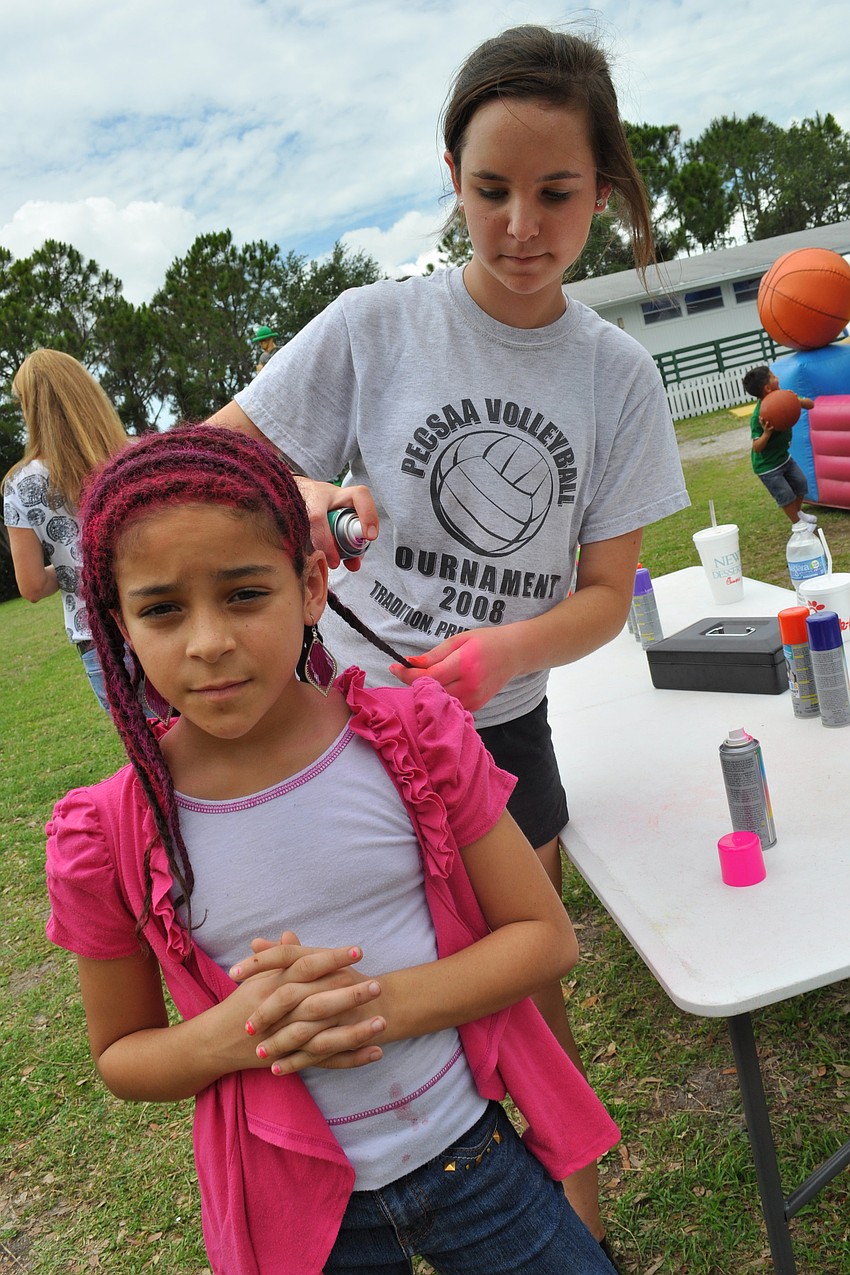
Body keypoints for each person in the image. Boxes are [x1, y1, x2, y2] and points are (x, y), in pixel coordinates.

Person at [209, 23, 689, 1253]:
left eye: (556, 192)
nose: (521, 225)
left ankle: (578, 1242)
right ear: (451, 180)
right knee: (364, 1021)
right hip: (344, 739)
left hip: (496, 733)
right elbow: (210, 466)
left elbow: (598, 594)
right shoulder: (374, 326)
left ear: (607, 190)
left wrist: (502, 657)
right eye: (491, 192)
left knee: (530, 1004)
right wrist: (307, 497)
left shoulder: (616, 378)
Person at [45, 424, 620, 1275]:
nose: (207, 641)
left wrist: (364, 1004)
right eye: (162, 608)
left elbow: (545, 938)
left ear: (312, 584)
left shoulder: (416, 739)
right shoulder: (107, 834)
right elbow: (122, 1053)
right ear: (117, 623)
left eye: (244, 593)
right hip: (299, 1211)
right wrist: (246, 1035)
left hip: (471, 1154)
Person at [2, 349, 128, 710]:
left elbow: (32, 587)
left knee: (151, 748)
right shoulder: (131, 454)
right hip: (160, 614)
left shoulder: (21, 484)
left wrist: (72, 564)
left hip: (98, 639)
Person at [742, 365, 816, 528]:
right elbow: (757, 448)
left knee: (801, 484)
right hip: (767, 466)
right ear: (767, 388)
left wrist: (798, 401)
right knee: (785, 495)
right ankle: (797, 525)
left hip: (783, 457)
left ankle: (798, 513)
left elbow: (811, 405)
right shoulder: (759, 416)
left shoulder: (785, 397)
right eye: (773, 376)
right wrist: (767, 433)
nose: (778, 378)